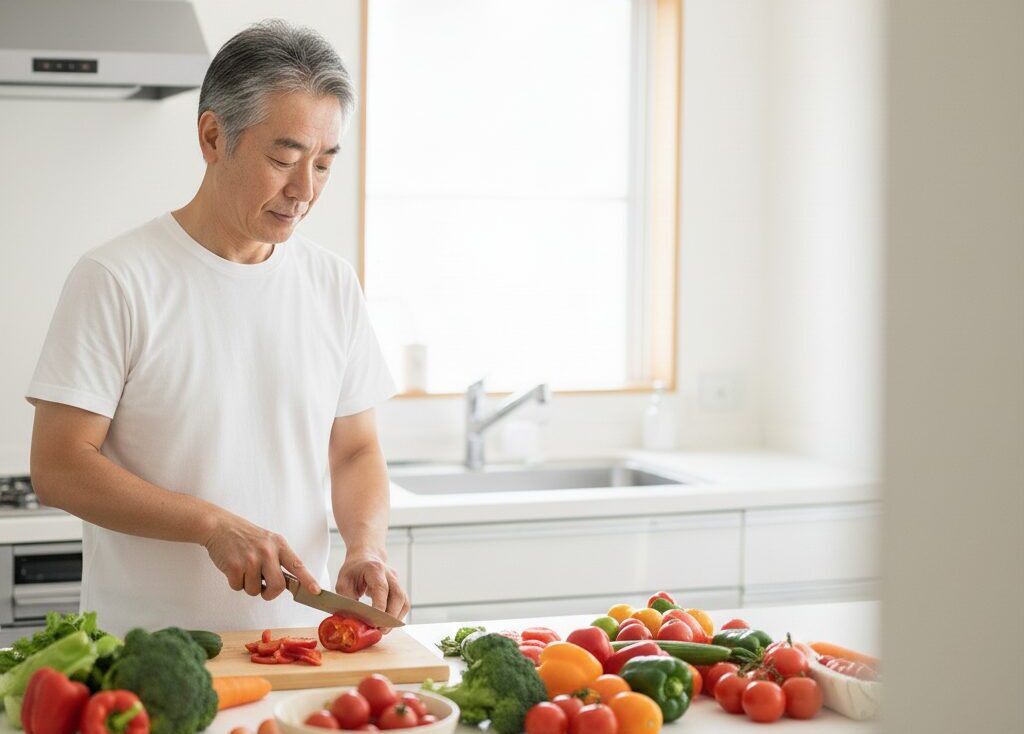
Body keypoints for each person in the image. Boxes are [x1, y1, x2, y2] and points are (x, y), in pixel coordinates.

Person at [25, 20, 409, 635]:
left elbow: (356, 448)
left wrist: (367, 546)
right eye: (284, 158)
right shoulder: (116, 278)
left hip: (294, 650)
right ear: (212, 136)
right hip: (147, 655)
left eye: (324, 164)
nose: (304, 190)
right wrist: (211, 524)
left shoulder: (332, 284)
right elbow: (59, 465)